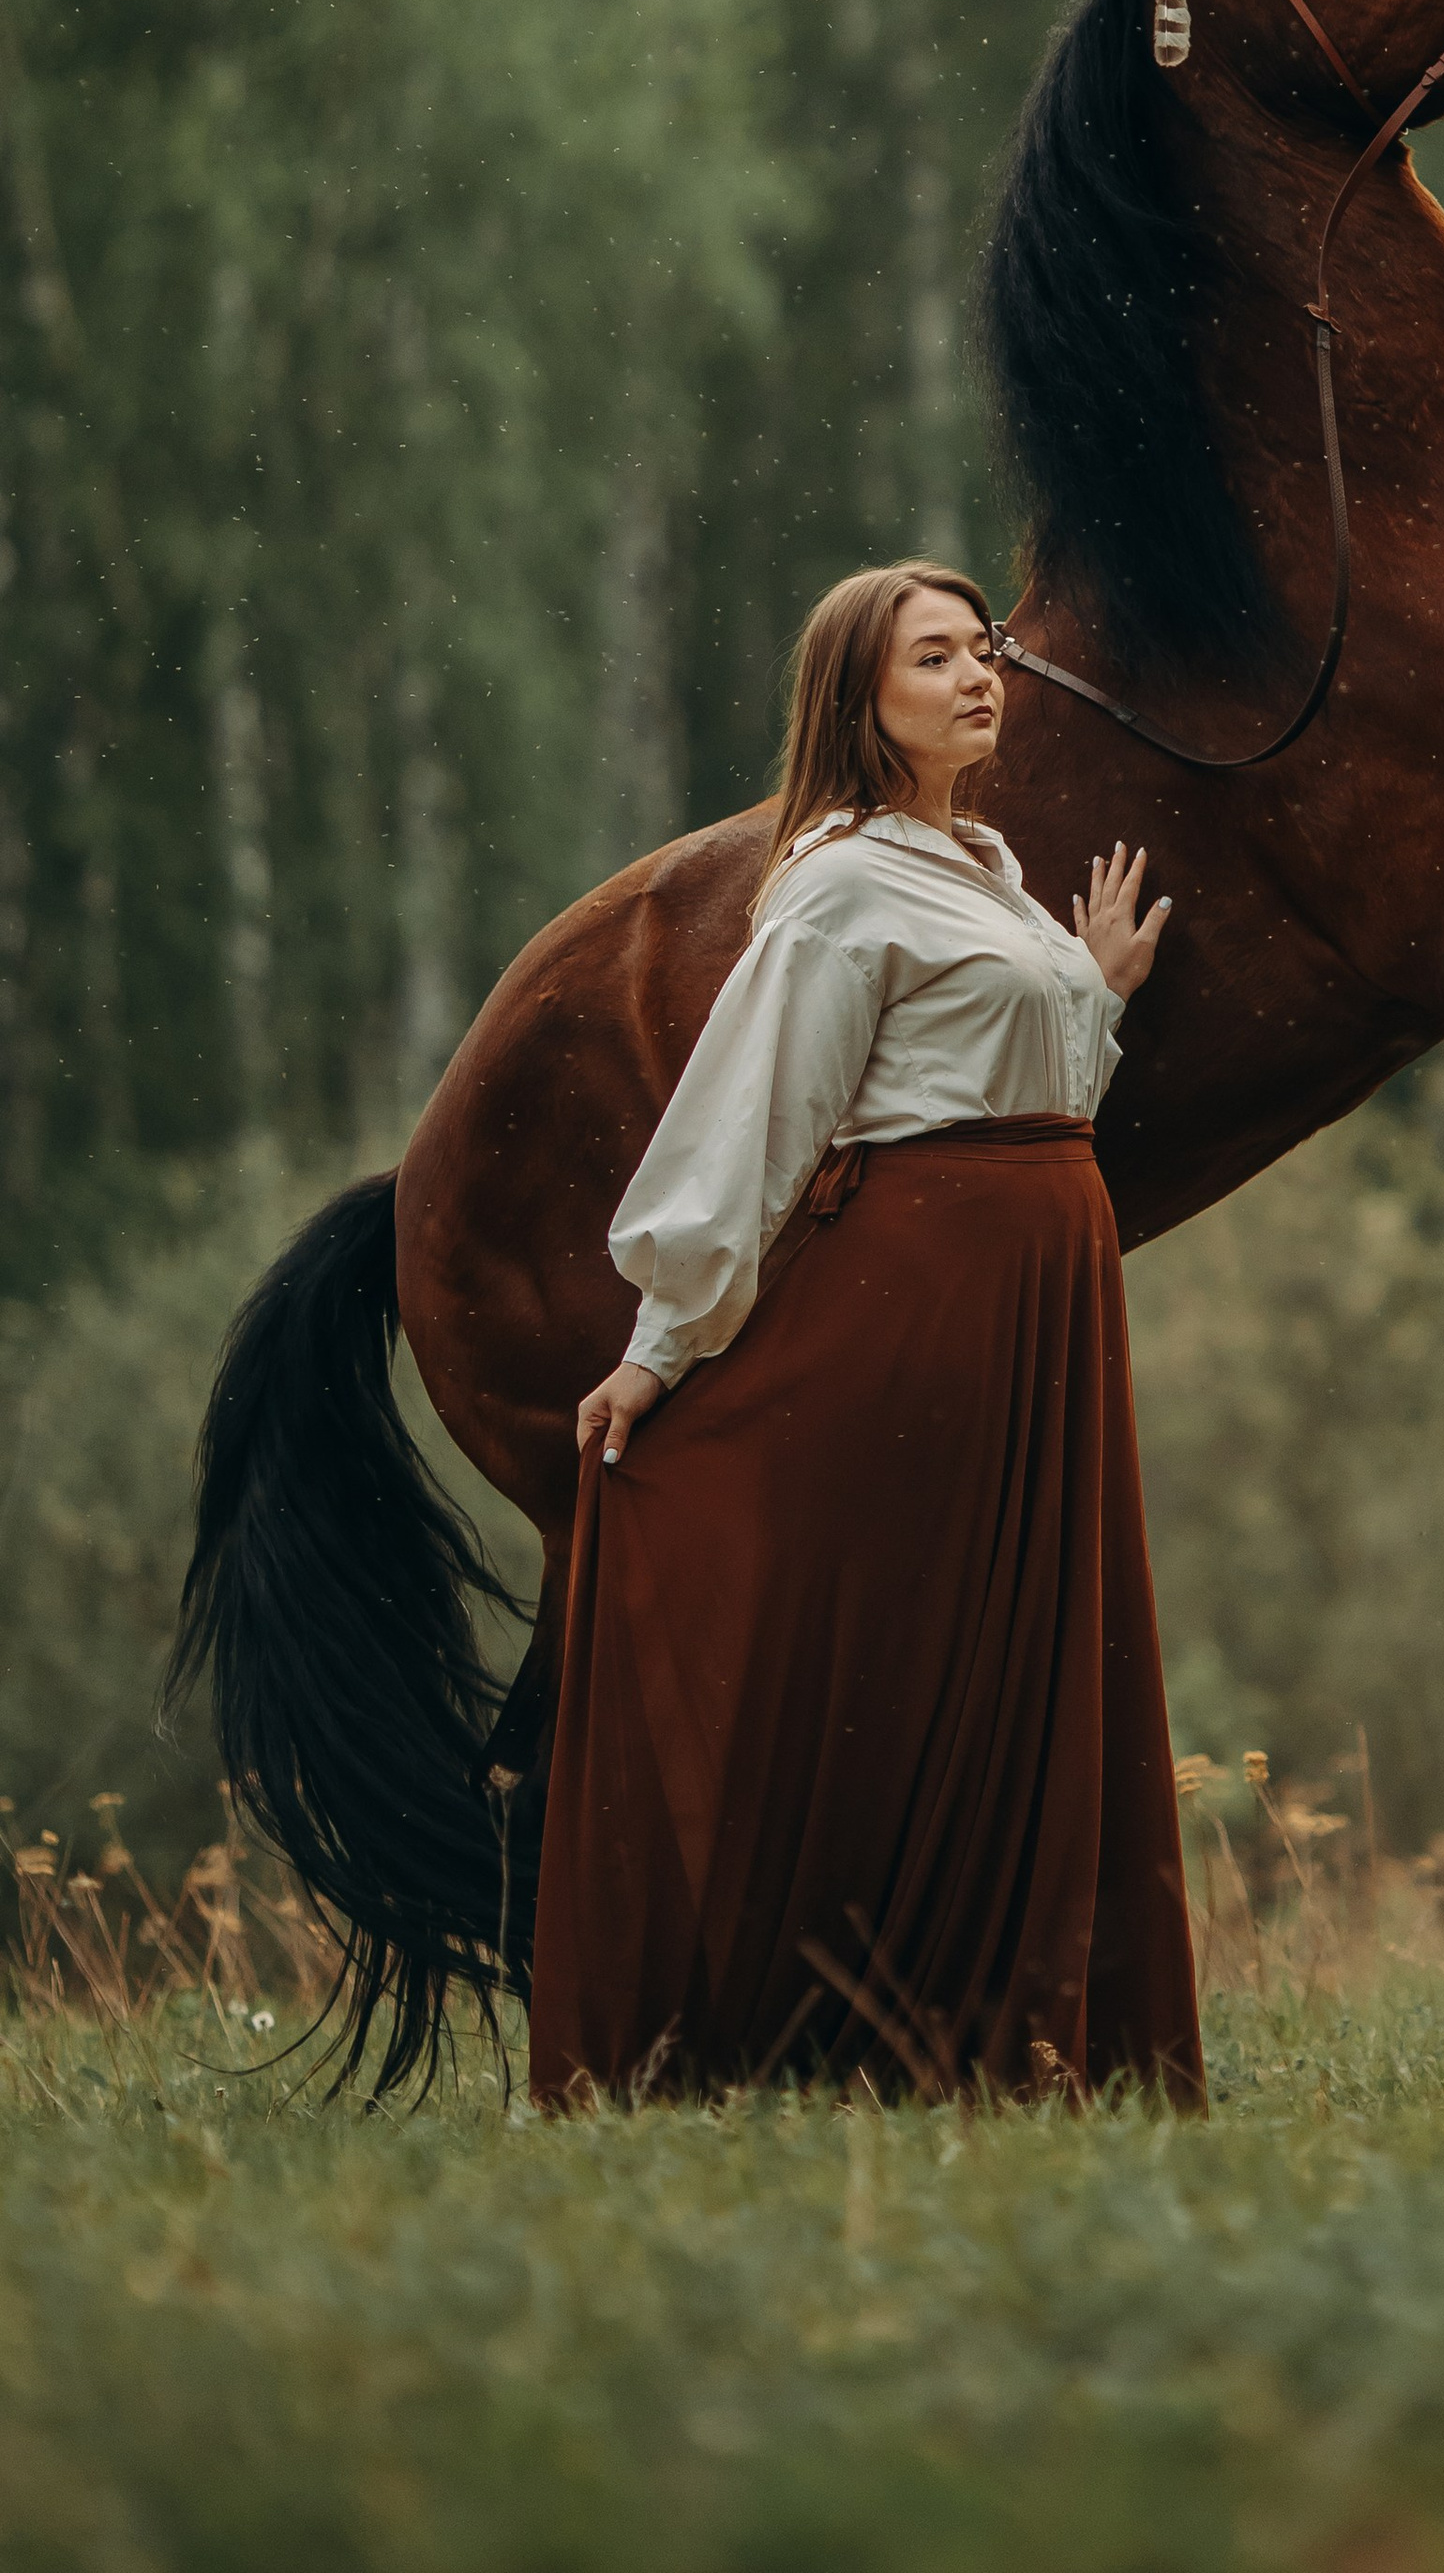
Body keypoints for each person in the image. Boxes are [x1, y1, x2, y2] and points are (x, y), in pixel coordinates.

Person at [526, 561, 1204, 2108]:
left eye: (986, 653)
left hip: (1039, 1297)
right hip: (930, 1298)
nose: (980, 678)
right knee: (915, 1648)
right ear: (861, 698)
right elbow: (760, 1118)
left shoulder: (984, 864)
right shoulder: (837, 882)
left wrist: (1090, 989)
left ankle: (1000, 2028)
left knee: (1018, 1645)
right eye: (937, 658)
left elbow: (1036, 1094)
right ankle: (808, 2024)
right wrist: (661, 1341)